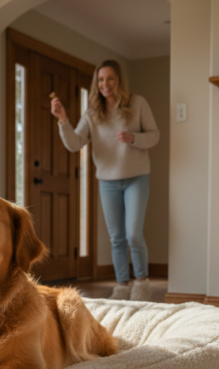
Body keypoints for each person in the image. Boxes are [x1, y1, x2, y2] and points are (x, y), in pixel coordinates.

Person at [51, 60, 159, 301]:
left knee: (133, 234)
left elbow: (154, 136)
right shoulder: (92, 114)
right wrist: (62, 119)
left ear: (118, 80)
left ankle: (141, 284)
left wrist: (133, 138)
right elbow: (74, 143)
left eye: (110, 78)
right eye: (101, 80)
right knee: (116, 237)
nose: (105, 84)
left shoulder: (137, 103)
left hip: (136, 177)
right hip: (108, 182)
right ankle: (122, 286)